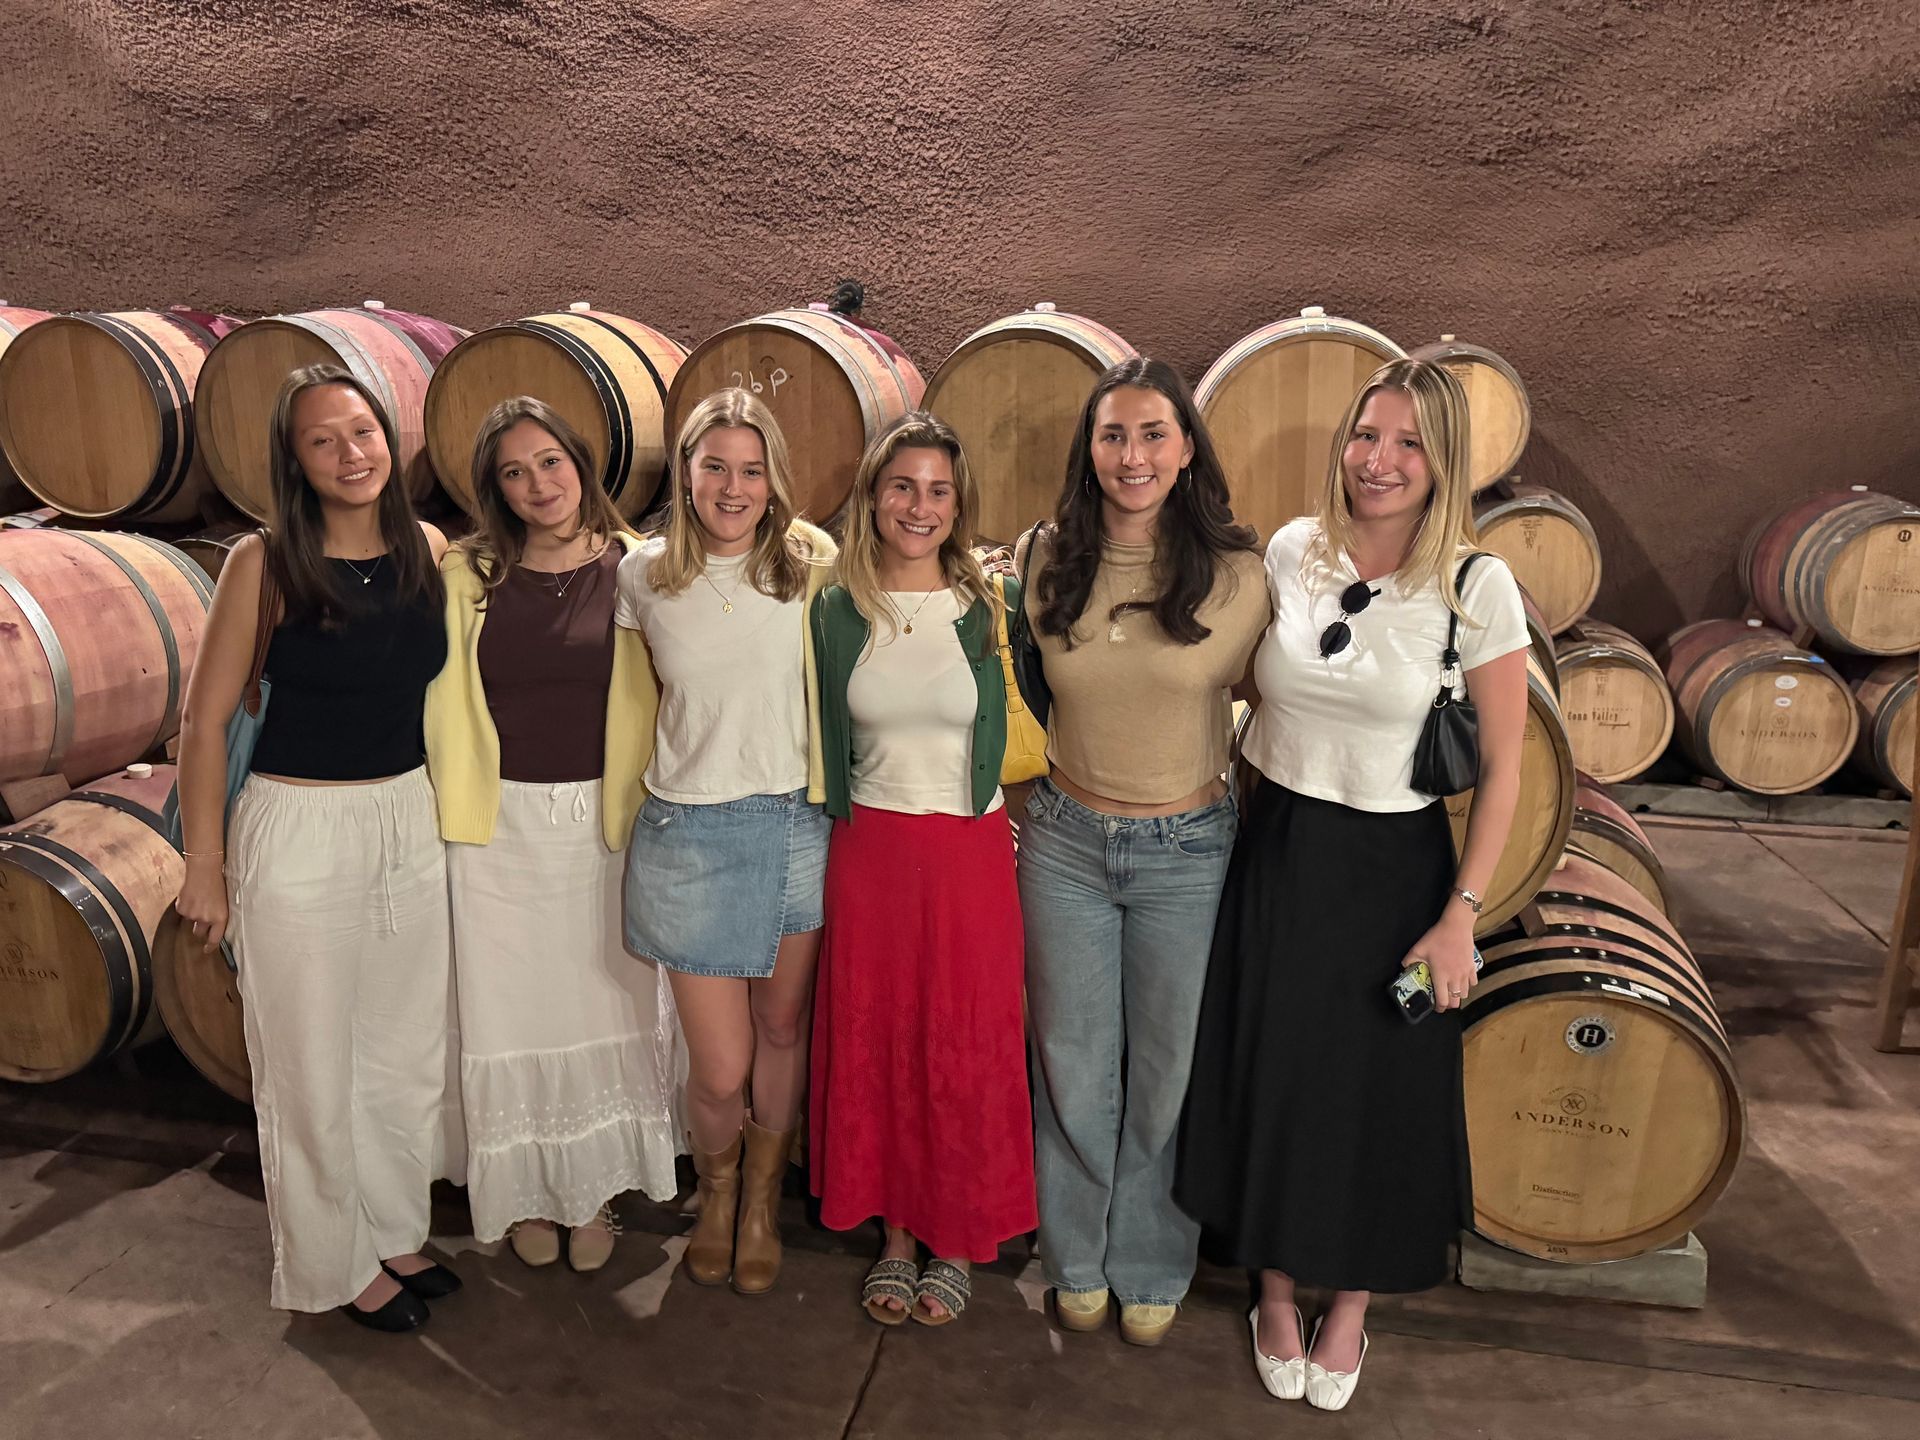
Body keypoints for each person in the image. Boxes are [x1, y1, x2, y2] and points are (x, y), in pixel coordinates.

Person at [1174, 358, 1529, 1412]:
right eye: (1368, 435)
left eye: (1409, 443)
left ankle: (1351, 1303)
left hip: (1395, 867)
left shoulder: (1476, 585)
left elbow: (1506, 769)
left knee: (1376, 1088)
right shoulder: (1294, 550)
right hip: (1279, 846)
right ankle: (1276, 1290)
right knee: (1274, 1069)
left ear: (1443, 462)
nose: (1380, 460)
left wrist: (1461, 916)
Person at [174, 363, 454, 1332]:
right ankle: (331, 1262)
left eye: (362, 432)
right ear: (294, 463)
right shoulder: (265, 564)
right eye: (323, 441)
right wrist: (204, 865)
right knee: (308, 1059)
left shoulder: (425, 549)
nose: (350, 454)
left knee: (401, 1049)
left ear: (390, 437)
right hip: (298, 827)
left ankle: (391, 1227)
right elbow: (204, 723)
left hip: (406, 817)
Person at [1016, 357, 1268, 1346]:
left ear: (1187, 447)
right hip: (1066, 844)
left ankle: (1153, 1258)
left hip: (1187, 850)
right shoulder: (1047, 559)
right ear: (1090, 448)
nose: (1134, 455)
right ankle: (1074, 1253)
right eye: (1114, 434)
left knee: (1168, 1067)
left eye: (1154, 433)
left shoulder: (1240, 575)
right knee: (1072, 1061)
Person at [425, 396, 684, 1273]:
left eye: (549, 462)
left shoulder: (640, 569)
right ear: (495, 489)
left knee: (603, 1006)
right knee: (508, 1017)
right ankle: (528, 1190)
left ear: (581, 463)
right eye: (514, 472)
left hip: (605, 829)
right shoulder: (468, 575)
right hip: (493, 832)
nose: (538, 484)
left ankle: (594, 1189)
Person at [809, 413, 1035, 1327]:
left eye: (939, 490)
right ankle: (897, 1236)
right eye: (903, 485)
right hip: (869, 852)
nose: (920, 505)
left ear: (959, 504)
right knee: (884, 1046)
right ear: (873, 495)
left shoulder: (991, 605)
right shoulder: (836, 608)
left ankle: (957, 1235)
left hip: (968, 854)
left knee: (963, 1042)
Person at [615, 387, 835, 1295]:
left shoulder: (811, 565)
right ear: (687, 473)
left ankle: (758, 1206)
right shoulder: (644, 575)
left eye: (751, 470)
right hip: (688, 834)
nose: (733, 488)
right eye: (715, 468)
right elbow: (630, 704)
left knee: (782, 1030)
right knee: (720, 1066)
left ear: (773, 479)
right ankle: (714, 1195)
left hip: (792, 823)